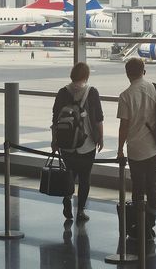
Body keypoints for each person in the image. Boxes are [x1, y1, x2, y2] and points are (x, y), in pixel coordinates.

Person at [117, 58, 156, 251]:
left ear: (127, 73)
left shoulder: (125, 95)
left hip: (135, 150)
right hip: (155, 148)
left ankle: (138, 226)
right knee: (153, 187)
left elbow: (123, 126)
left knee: (138, 189)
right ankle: (149, 226)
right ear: (144, 71)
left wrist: (119, 149)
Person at [51, 62, 104, 222]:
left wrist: (54, 140)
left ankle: (67, 198)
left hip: (66, 144)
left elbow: (55, 118)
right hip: (86, 144)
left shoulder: (62, 92)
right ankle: (80, 210)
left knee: (69, 175)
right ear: (86, 76)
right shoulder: (92, 92)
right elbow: (98, 119)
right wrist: (100, 137)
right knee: (85, 178)